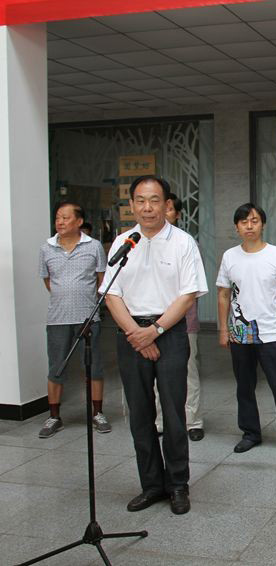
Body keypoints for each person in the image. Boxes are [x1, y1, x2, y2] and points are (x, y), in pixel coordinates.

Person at [103, 175, 207, 515]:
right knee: (140, 414)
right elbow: (111, 294)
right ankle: (151, 485)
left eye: (154, 200)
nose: (147, 207)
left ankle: (177, 484)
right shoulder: (123, 242)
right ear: (131, 204)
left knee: (174, 414)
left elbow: (188, 294)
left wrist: (156, 330)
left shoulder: (183, 242)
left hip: (170, 333)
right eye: (140, 200)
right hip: (131, 334)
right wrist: (137, 333)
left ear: (166, 204)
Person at [216, 203, 276, 455]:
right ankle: (250, 433)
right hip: (240, 334)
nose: (249, 226)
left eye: (254, 221)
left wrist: (273, 311)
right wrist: (223, 330)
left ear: (262, 224)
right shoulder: (230, 256)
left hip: (271, 332)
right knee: (244, 386)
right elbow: (223, 294)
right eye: (244, 222)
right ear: (237, 227)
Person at [38, 202, 108, 438]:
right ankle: (54, 417)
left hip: (88, 317)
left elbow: (102, 280)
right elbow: (48, 281)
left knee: (94, 366)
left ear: (79, 221)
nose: (60, 222)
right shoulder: (46, 248)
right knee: (56, 367)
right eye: (58, 218)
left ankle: (98, 413)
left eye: (65, 218)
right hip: (57, 318)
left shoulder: (94, 246)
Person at [154, 193, 204, 441]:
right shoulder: (144, 243)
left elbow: (193, 288)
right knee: (156, 375)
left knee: (188, 371)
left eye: (169, 209)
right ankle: (161, 421)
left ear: (177, 214)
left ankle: (192, 421)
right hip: (152, 322)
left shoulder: (186, 243)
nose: (164, 213)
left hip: (185, 321)